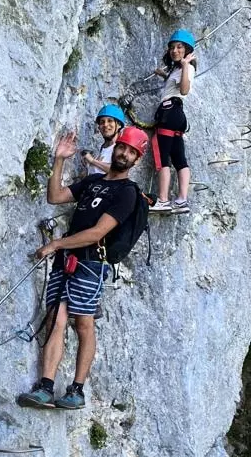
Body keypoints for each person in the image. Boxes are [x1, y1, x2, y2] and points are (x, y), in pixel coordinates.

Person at [17, 126, 149, 410]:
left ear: (137, 160)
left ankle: (77, 390)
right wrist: (59, 160)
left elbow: (97, 232)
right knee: (56, 317)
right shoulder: (93, 182)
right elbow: (55, 196)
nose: (124, 154)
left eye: (131, 152)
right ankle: (46, 386)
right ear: (116, 148)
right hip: (68, 258)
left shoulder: (127, 193)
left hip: (90, 261)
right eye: (122, 147)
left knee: (83, 323)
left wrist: (56, 244)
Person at [151, 28, 196, 213]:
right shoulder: (177, 69)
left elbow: (184, 90)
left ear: (187, 50)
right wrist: (164, 75)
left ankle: (163, 200)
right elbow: (175, 86)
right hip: (176, 114)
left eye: (179, 47)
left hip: (169, 113)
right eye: (172, 47)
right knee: (179, 158)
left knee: (162, 156)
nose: (174, 50)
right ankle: (181, 200)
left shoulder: (186, 68)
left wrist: (185, 65)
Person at [82, 104, 127, 176]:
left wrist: (92, 161)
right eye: (102, 122)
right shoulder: (102, 148)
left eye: (110, 121)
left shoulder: (121, 148)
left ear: (119, 125)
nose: (105, 125)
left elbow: (118, 171)